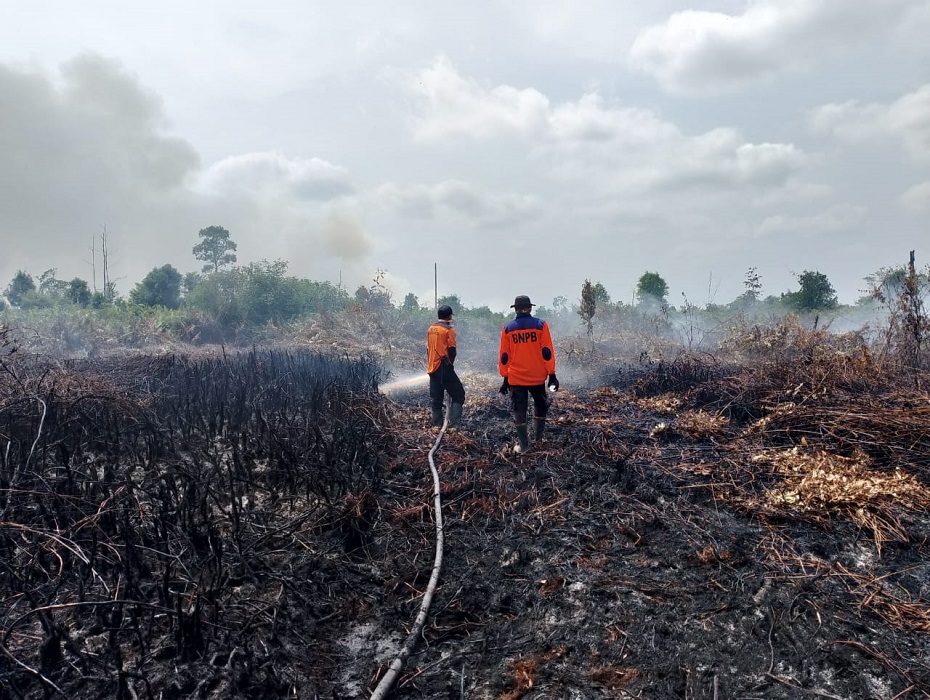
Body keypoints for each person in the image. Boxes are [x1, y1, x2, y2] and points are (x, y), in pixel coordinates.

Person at [498, 295, 558, 453]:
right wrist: (552, 374)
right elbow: (547, 352)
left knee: (519, 410)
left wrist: (505, 378)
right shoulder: (541, 325)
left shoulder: (508, 328)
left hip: (516, 379)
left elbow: (505, 356)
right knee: (540, 406)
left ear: (515, 309)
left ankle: (524, 446)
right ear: (530, 308)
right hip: (537, 377)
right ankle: (538, 441)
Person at [426, 304, 465, 427]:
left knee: (436, 400)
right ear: (449, 316)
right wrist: (450, 366)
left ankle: (437, 425)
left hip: (432, 367)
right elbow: (452, 351)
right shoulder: (449, 331)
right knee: (459, 394)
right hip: (444, 367)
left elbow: (428, 349)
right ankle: (454, 425)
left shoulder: (431, 329)